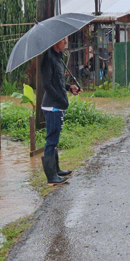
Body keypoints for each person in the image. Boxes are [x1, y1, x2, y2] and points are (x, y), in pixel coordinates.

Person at [41, 38, 81, 184]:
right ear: (54, 42)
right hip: (52, 106)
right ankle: (51, 177)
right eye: (63, 40)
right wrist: (60, 99)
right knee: (51, 141)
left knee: (55, 140)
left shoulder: (58, 58)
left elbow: (57, 82)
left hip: (57, 105)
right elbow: (47, 84)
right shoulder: (48, 58)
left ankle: (56, 170)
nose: (65, 42)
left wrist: (69, 87)